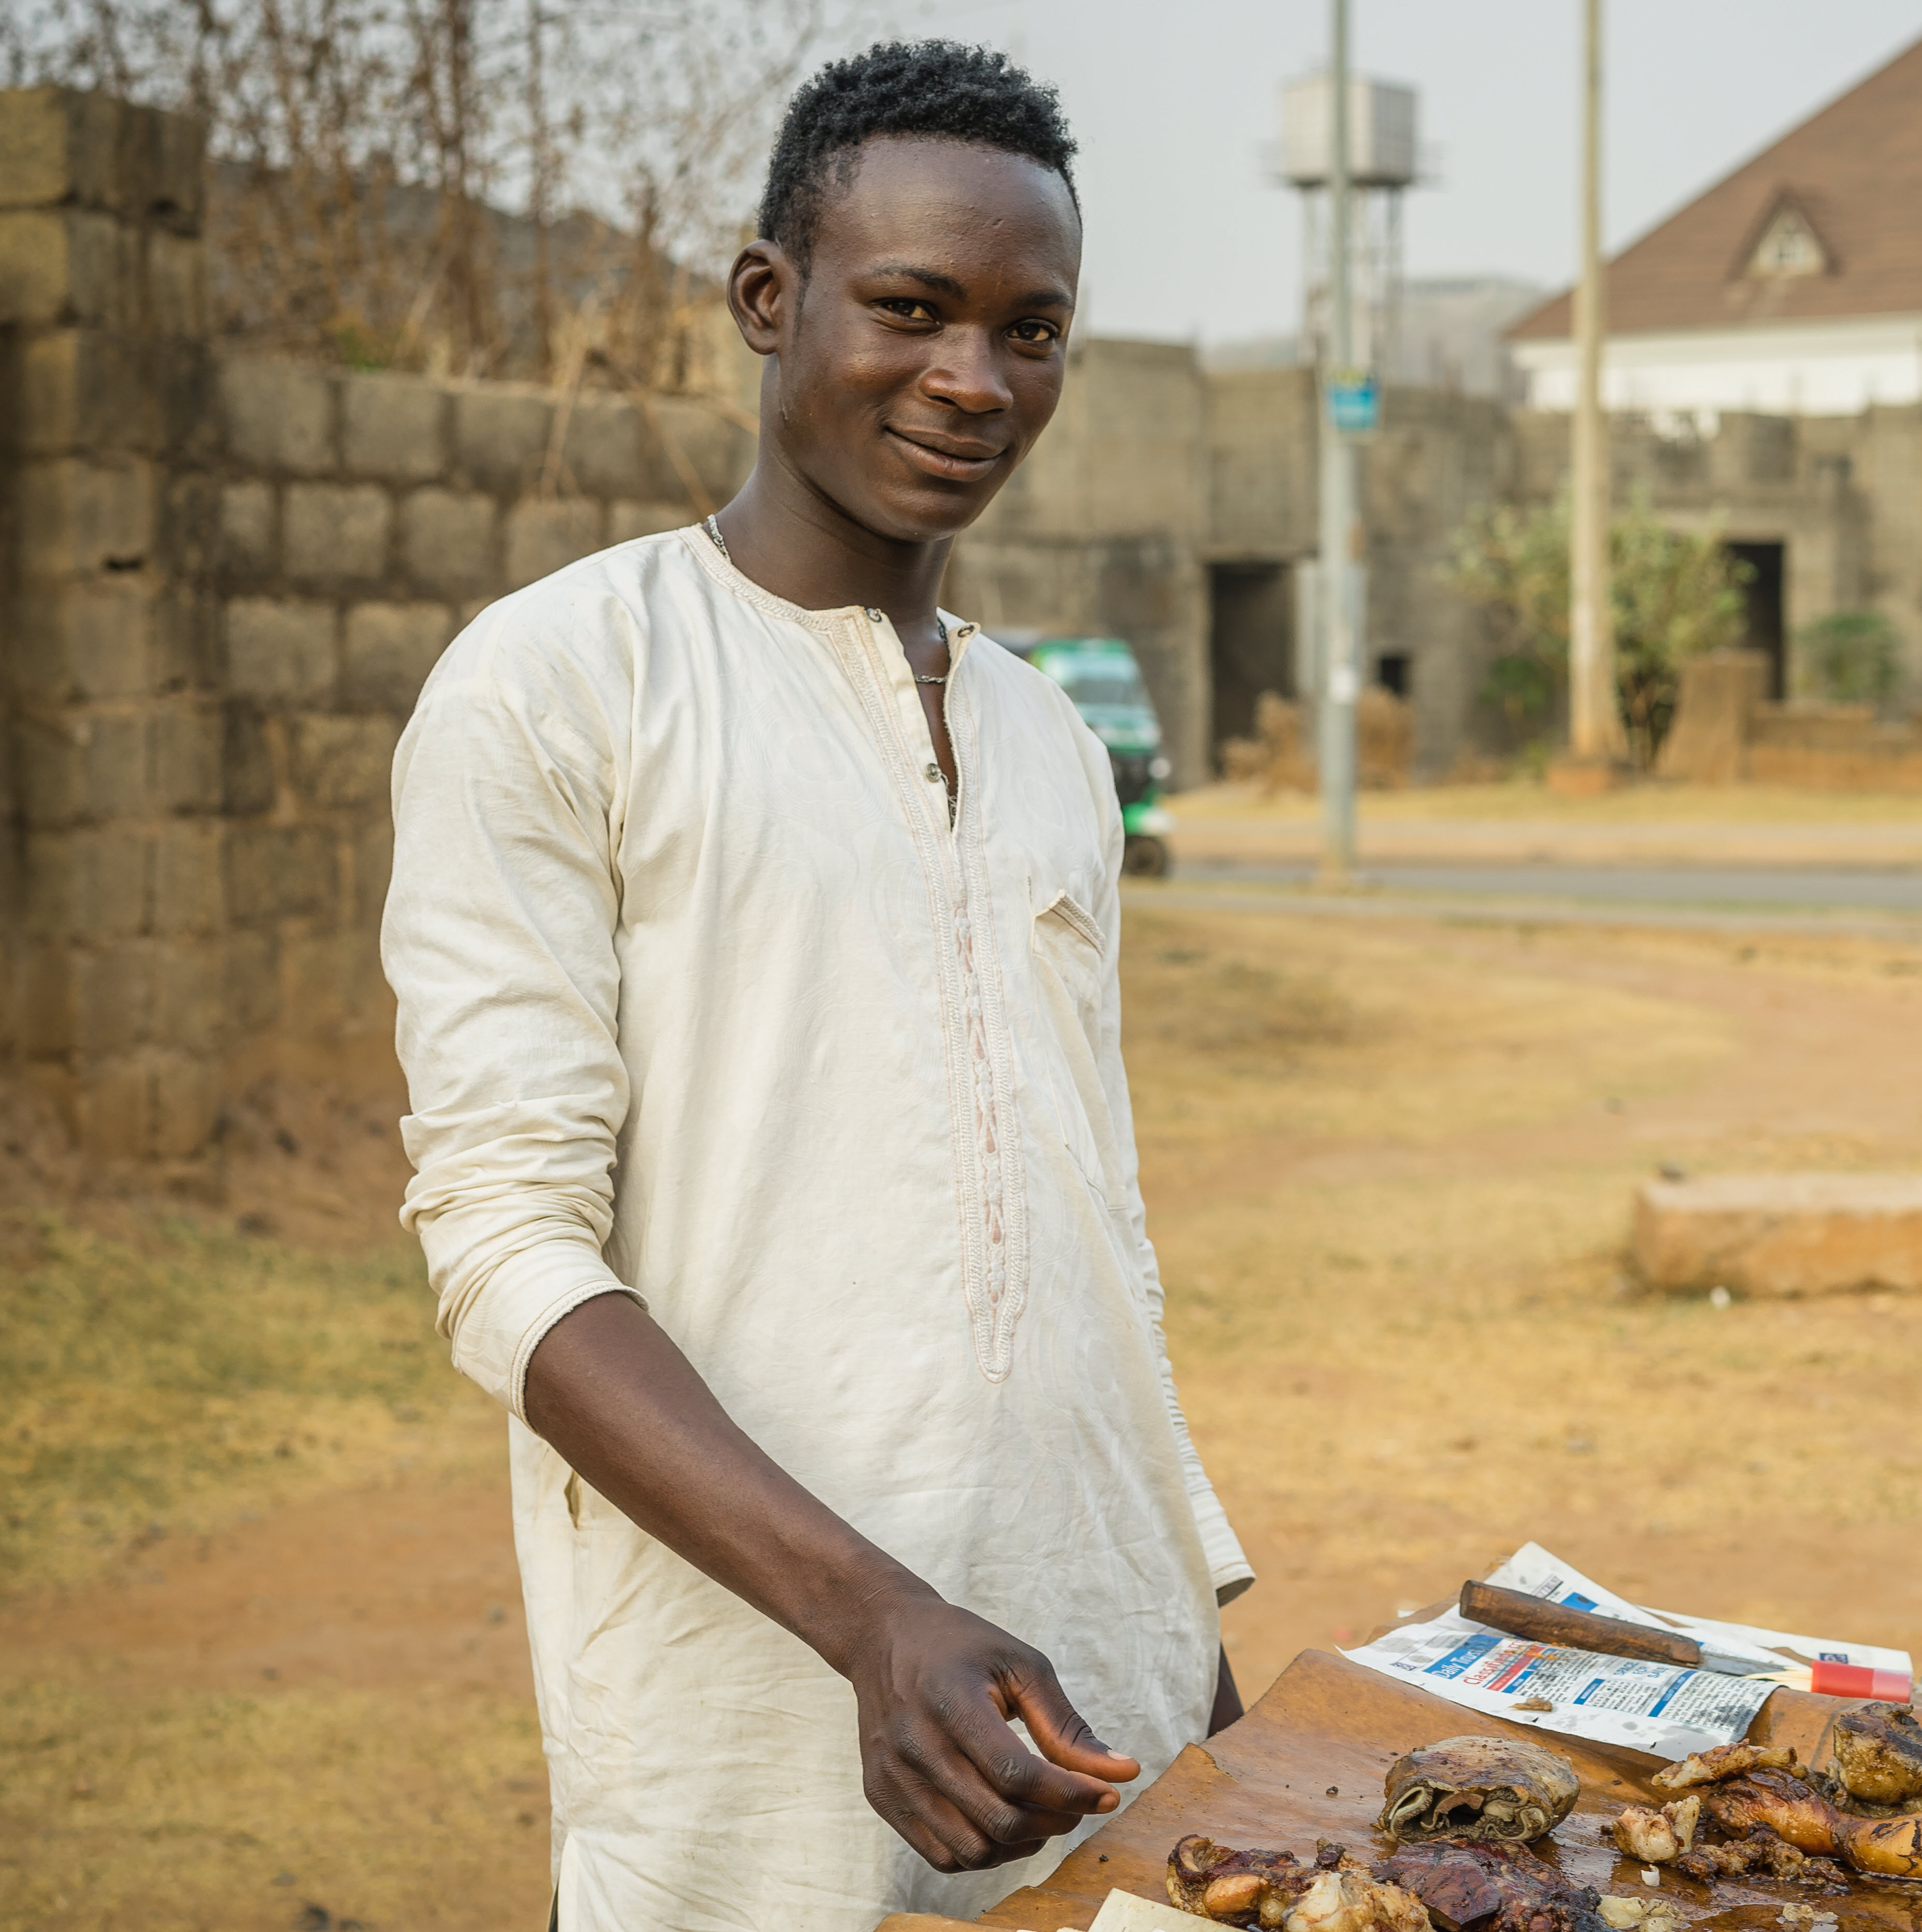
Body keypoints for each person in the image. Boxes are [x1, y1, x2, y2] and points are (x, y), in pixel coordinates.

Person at [382, 38, 1253, 1932]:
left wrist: (1190, 1636)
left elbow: (1094, 1224)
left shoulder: (1049, 744)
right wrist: (871, 1620)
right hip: (754, 1708)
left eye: (1032, 329)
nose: (974, 378)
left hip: (1085, 1676)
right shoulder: (562, 685)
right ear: (770, 302)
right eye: (914, 309)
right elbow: (503, 1247)